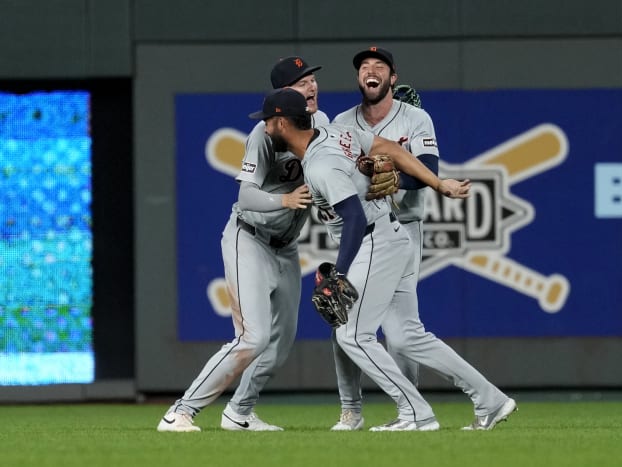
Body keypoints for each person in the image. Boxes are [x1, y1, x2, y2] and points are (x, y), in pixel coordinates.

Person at [250, 87, 473, 431]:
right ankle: (371, 410)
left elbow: (357, 209)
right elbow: (382, 151)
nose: (264, 129)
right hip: (371, 238)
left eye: (267, 122)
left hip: (382, 236)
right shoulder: (334, 128)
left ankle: (414, 412)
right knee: (355, 329)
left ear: (281, 121)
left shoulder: (325, 153)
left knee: (379, 335)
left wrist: (339, 273)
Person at [329, 46, 517, 431]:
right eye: (364, 66)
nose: (370, 70)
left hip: (401, 229)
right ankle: (486, 399)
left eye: (379, 66)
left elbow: (428, 170)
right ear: (358, 78)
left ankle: (408, 411)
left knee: (359, 325)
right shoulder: (342, 122)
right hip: (362, 231)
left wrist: (396, 176)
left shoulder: (415, 118)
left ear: (392, 77)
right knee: (400, 334)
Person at [157, 56, 328, 432]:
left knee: (280, 343)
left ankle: (239, 412)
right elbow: (246, 198)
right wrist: (285, 200)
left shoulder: (324, 125)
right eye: (302, 83)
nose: (312, 86)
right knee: (254, 337)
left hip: (286, 246)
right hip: (249, 238)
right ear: (283, 96)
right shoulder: (263, 136)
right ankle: (181, 411)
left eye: (312, 79)